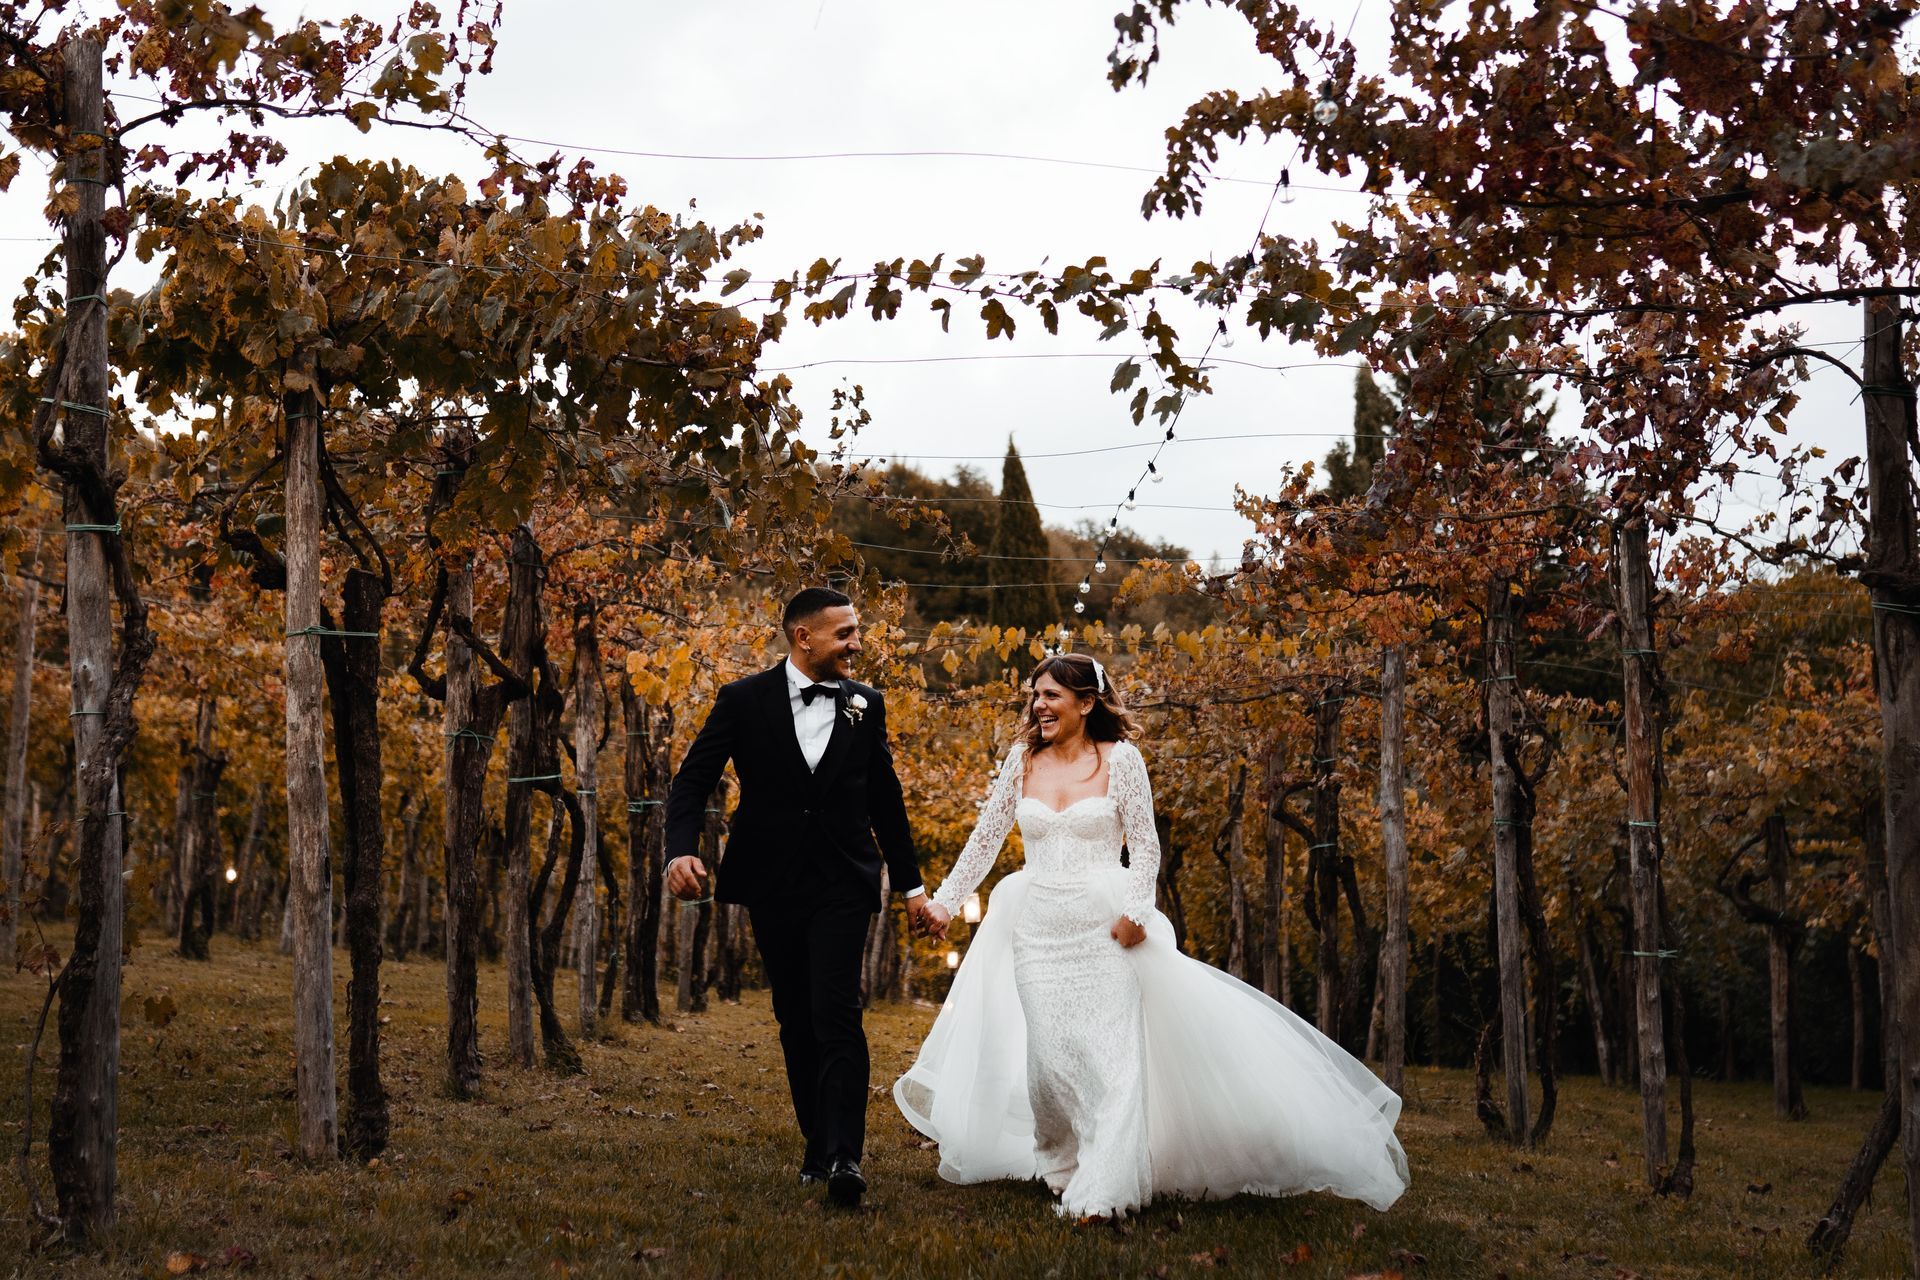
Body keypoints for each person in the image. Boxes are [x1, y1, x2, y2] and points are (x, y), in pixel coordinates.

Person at [896, 652, 1409, 1221]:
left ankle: (1108, 1187)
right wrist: (943, 901)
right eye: (1035, 695)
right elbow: (984, 840)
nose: (1038, 705)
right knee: (1049, 1061)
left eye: (1051, 696)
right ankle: (1062, 1163)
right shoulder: (1022, 761)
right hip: (1037, 925)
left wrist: (1138, 910)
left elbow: (1145, 844)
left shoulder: (1122, 760)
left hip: (1106, 924)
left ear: (1086, 703)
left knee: (1109, 1057)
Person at [665, 587, 935, 1208]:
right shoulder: (742, 700)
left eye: (857, 631)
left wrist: (913, 888)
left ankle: (845, 1154)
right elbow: (693, 780)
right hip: (772, 879)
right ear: (803, 637)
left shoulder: (868, 705)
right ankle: (818, 1141)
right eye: (844, 633)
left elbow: (885, 802)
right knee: (794, 1014)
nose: (856, 643)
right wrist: (679, 850)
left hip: (844, 877)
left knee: (836, 1009)